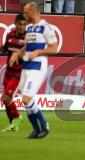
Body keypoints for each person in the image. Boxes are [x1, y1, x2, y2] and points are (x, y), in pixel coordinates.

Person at [10, 2, 58, 138]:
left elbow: (54, 48)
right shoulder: (30, 28)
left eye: (26, 12)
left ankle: (44, 124)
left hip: (37, 68)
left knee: (26, 99)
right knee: (25, 100)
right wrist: (17, 54)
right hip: (26, 67)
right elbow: (27, 47)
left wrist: (38, 52)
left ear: (33, 12)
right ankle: (37, 130)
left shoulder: (46, 27)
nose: (24, 15)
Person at [0, 14, 26, 132]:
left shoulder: (28, 38)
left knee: (6, 97)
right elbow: (5, 48)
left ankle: (17, 116)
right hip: (8, 73)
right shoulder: (10, 35)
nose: (21, 27)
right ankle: (13, 125)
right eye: (19, 24)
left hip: (18, 74)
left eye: (24, 25)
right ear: (15, 24)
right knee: (6, 101)